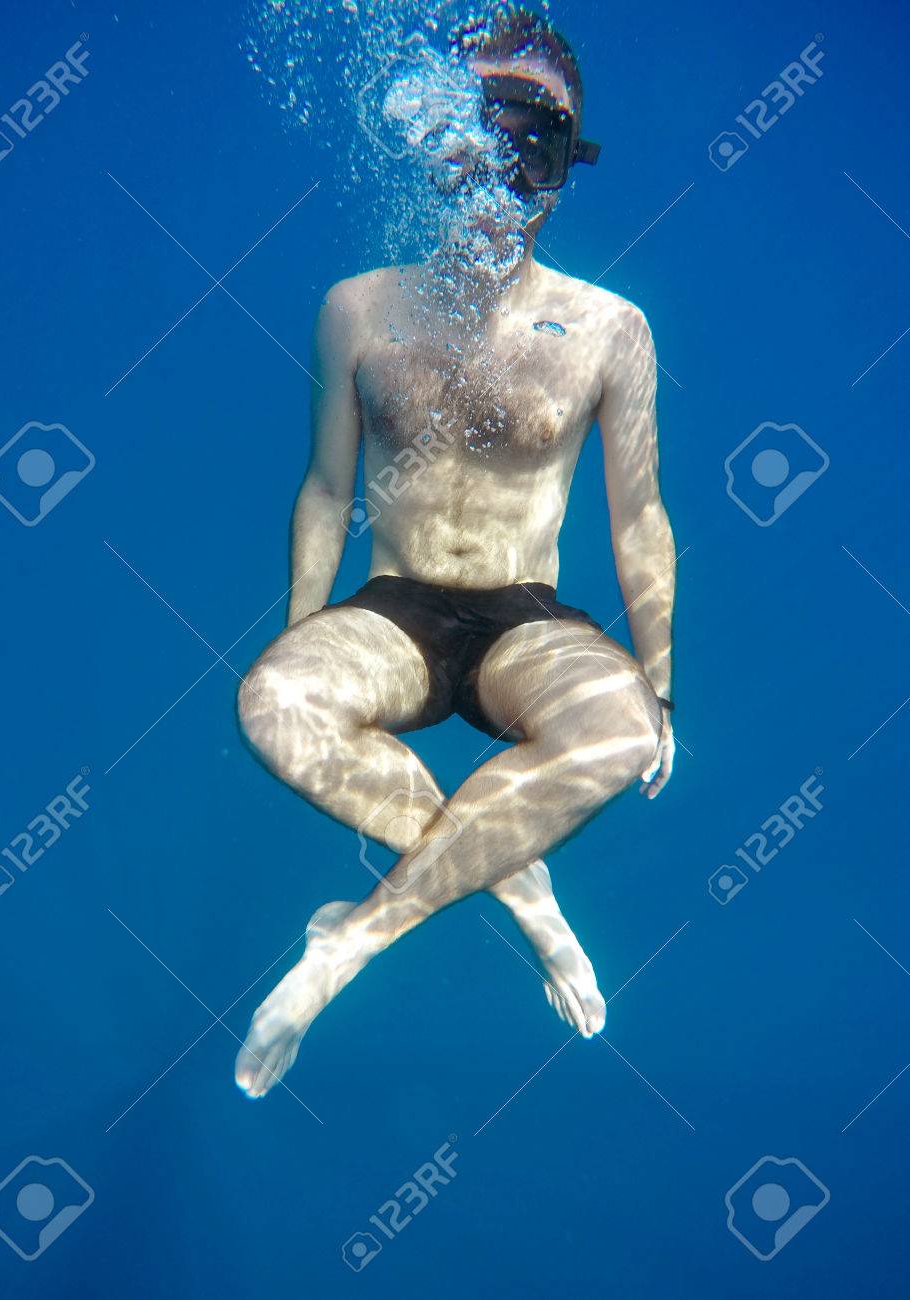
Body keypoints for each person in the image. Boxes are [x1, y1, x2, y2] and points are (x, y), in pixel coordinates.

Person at [234, 4, 676, 1098]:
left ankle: (356, 937)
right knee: (271, 704)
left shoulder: (611, 326)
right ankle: (519, 886)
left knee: (618, 729)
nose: (509, 154)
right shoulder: (357, 310)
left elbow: (638, 518)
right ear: (442, 142)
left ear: (567, 167)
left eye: (541, 133)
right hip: (392, 611)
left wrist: (660, 682)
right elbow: (329, 488)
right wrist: (304, 636)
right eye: (490, 121)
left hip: (525, 620)